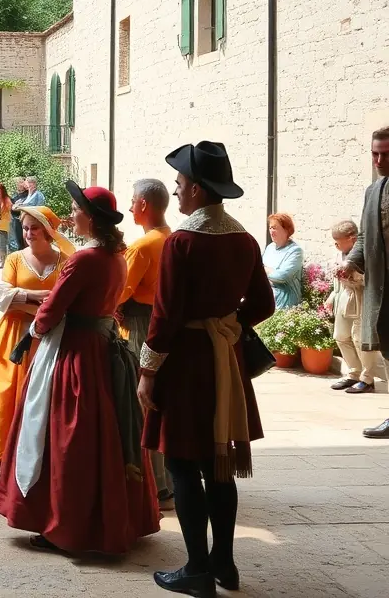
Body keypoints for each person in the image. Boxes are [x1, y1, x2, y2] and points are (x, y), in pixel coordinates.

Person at [138, 141, 275, 596]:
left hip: (186, 365)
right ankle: (225, 565)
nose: (176, 193)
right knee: (219, 465)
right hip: (226, 361)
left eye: (179, 185)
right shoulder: (245, 240)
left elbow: (166, 314)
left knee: (180, 463)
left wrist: (149, 369)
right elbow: (263, 303)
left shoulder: (183, 241)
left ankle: (197, 568)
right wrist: (228, 325)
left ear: (196, 189)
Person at [0, 183, 159, 555]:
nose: (72, 215)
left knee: (67, 437)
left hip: (75, 354)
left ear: (91, 218)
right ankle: (108, 520)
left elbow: (53, 309)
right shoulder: (116, 255)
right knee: (104, 435)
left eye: (76, 210)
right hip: (103, 348)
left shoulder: (84, 259)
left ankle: (64, 525)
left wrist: (32, 333)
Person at [0, 205, 75, 465]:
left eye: (34, 228)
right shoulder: (15, 259)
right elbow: (2, 298)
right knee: (8, 389)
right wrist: (40, 298)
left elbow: (68, 303)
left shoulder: (65, 261)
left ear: (48, 232)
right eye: (25, 228)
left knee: (44, 391)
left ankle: (41, 449)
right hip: (14, 332)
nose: (28, 233)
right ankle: (4, 447)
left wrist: (24, 299)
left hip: (50, 335)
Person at [118, 178, 174, 510]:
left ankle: (159, 488)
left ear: (142, 205)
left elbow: (120, 290)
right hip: (167, 325)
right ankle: (171, 481)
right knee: (163, 405)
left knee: (143, 403)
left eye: (131, 201)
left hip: (141, 325)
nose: (129, 208)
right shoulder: (173, 239)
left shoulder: (142, 247)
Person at [340, 126, 389, 439]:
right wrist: (351, 261)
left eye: (385, 153)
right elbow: (363, 235)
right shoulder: (374, 191)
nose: (379, 159)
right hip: (382, 287)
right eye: (375, 152)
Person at [327, 220, 383, 394]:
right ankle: (353, 373)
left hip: (362, 298)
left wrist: (355, 276)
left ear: (352, 239)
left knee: (359, 339)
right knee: (340, 336)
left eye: (338, 241)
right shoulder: (340, 254)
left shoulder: (366, 253)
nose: (336, 245)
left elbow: (375, 278)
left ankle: (367, 379)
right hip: (345, 296)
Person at [263, 213, 304, 308]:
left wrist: (265, 269)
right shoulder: (270, 248)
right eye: (270, 228)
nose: (271, 231)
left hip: (285, 303)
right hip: (267, 298)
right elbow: (257, 270)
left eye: (275, 228)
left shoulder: (295, 251)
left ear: (286, 230)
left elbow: (281, 277)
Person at [8, 177, 29, 254]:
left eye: (20, 182)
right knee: (14, 240)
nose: (18, 185)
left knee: (22, 239)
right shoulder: (15, 195)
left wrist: (15, 206)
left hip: (22, 219)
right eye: (17, 183)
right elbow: (11, 206)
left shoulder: (27, 195)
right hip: (13, 219)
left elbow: (23, 206)